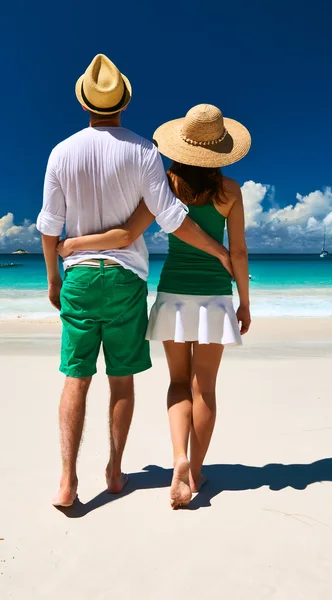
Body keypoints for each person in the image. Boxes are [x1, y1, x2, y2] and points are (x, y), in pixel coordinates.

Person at [37, 55, 233, 508]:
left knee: (75, 378)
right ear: (123, 101)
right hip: (125, 278)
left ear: (85, 102)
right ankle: (115, 470)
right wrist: (219, 250)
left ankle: (67, 480)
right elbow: (172, 219)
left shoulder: (61, 152)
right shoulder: (144, 151)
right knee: (121, 380)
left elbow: (50, 227)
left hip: (80, 278)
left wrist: (53, 278)